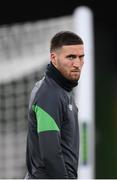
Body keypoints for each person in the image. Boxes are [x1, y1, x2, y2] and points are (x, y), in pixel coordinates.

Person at [25, 30, 84, 179]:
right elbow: (50, 154)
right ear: (54, 58)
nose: (77, 64)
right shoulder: (49, 94)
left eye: (81, 57)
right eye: (71, 57)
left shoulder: (62, 90)